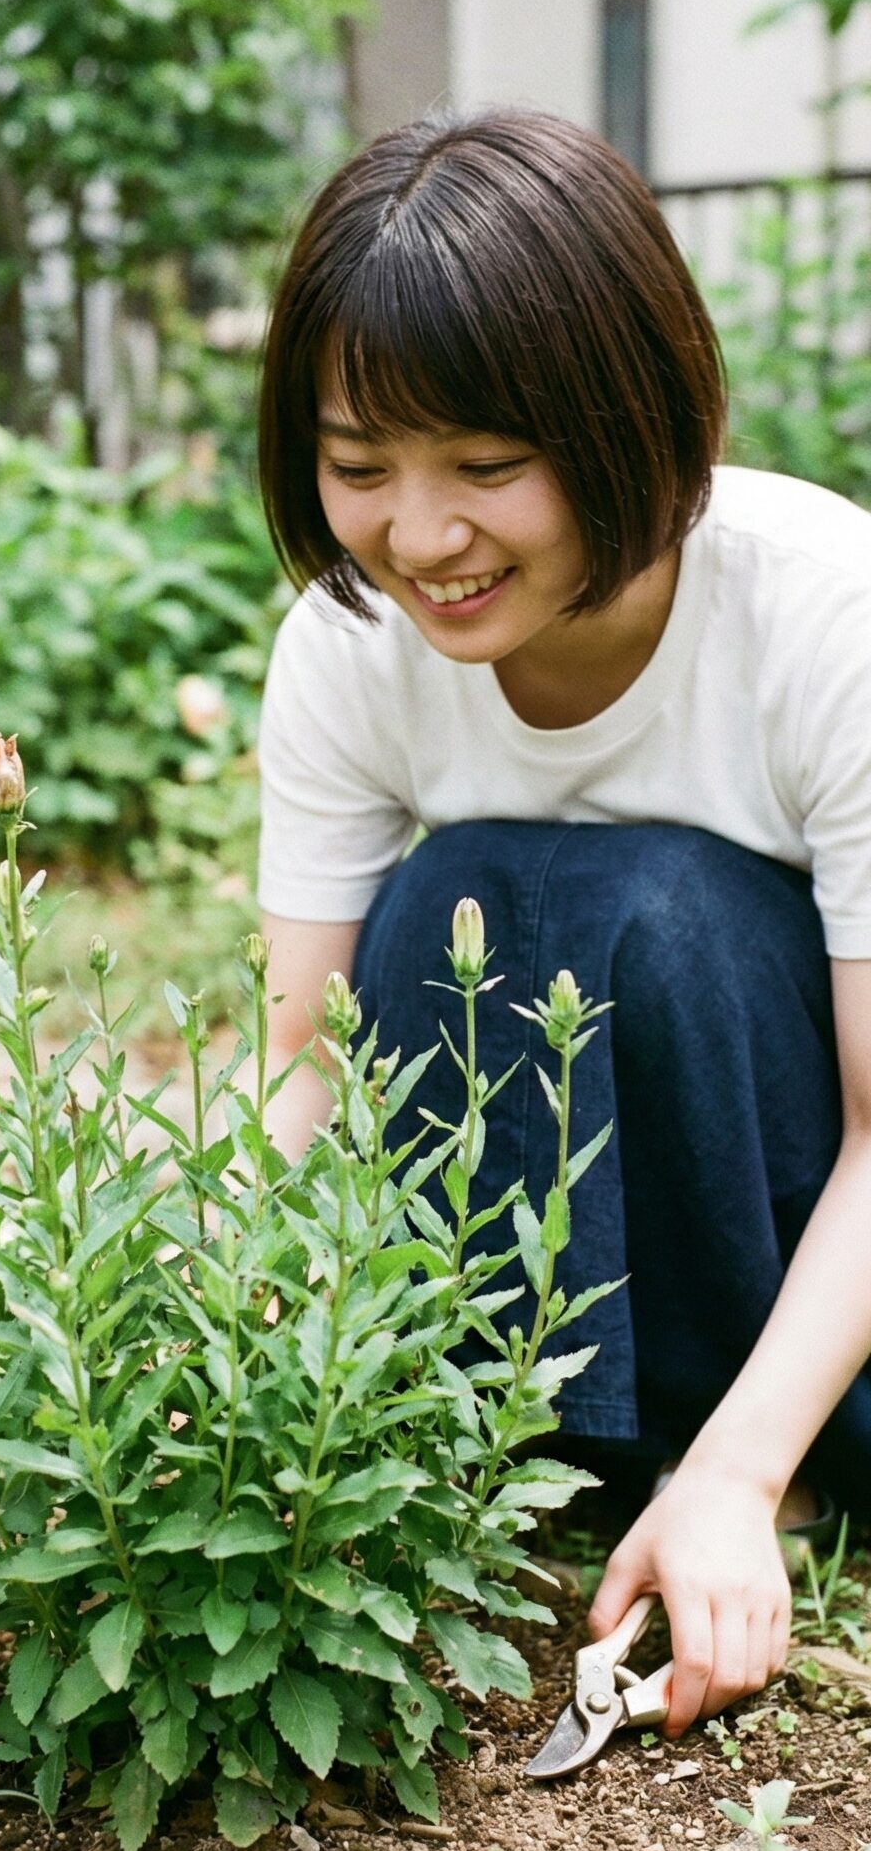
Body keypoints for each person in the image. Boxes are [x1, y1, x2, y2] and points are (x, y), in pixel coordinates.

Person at [251, 106, 871, 1752]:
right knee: (445, 909)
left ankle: (746, 1466)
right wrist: (225, 1352)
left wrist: (740, 1470)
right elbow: (304, 1066)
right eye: (359, 467)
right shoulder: (349, 644)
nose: (420, 537)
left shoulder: (825, 615)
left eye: (485, 465)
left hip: (803, 1289)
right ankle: (515, 1455)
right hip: (515, 1319)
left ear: (626, 412)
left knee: (656, 913)